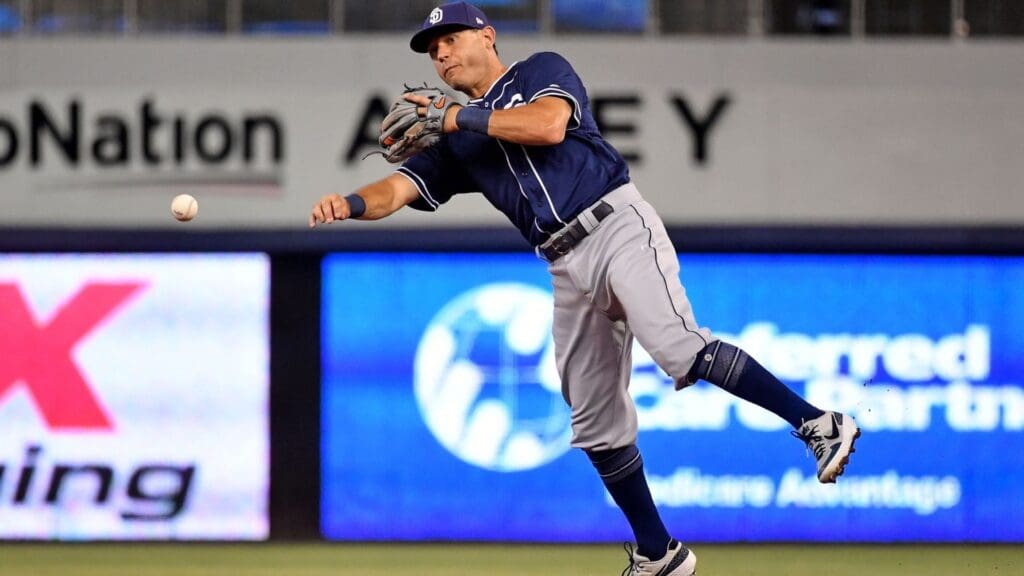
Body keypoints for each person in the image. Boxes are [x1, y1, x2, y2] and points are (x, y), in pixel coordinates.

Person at [310, 3, 861, 574]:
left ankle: (818, 423)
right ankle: (659, 552)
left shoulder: (537, 70)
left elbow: (547, 125)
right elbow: (399, 188)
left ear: (487, 36)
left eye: (448, 38)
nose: (440, 53)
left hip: (616, 224)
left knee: (679, 347)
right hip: (562, 262)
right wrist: (347, 204)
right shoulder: (458, 143)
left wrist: (455, 119)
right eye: (431, 50)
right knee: (593, 423)